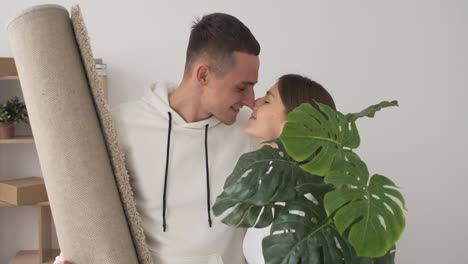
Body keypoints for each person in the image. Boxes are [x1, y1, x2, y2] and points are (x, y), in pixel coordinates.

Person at [56, 12, 260, 264]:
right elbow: (90, 204)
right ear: (203, 75)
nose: (251, 100)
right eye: (242, 87)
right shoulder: (121, 125)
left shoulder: (251, 134)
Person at [242, 74, 336, 264]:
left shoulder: (308, 203)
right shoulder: (273, 187)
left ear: (294, 122)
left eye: (267, 101)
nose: (255, 102)